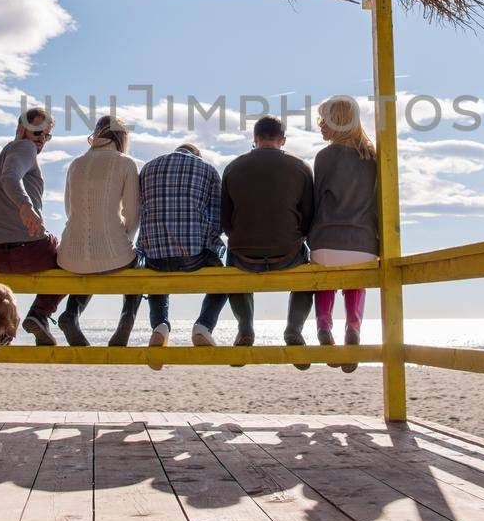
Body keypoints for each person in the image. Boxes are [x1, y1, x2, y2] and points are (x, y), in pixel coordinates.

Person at [211, 116, 314, 364]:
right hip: (288, 254)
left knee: (232, 265)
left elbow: (224, 220)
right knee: (308, 271)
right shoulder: (300, 167)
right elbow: (309, 217)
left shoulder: (233, 167)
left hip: (244, 256)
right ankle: (294, 328)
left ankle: (245, 327)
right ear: (283, 140)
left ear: (255, 139)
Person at [293, 96, 378, 374]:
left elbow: (316, 202)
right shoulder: (372, 156)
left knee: (323, 274)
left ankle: (323, 324)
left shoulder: (324, 157)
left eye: (323, 121)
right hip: (364, 243)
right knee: (355, 279)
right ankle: (353, 325)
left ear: (336, 122)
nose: (319, 126)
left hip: (325, 240)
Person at [0, 107, 74, 344]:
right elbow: (11, 177)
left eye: (46, 136)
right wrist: (25, 206)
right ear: (21, 129)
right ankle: (40, 313)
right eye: (37, 133)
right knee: (72, 258)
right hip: (30, 251)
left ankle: (1, 330)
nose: (41, 140)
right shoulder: (24, 148)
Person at [56, 115, 142, 345]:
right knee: (137, 263)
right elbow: (133, 214)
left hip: (69, 257)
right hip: (113, 253)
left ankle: (71, 314)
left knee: (89, 267)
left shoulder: (76, 163)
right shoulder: (125, 163)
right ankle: (126, 320)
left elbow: (69, 210)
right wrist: (124, 241)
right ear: (121, 138)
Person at [136, 143, 222, 369]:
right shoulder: (208, 169)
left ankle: (160, 326)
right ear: (197, 154)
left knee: (157, 277)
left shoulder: (147, 168)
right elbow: (217, 219)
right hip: (193, 255)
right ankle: (203, 326)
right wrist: (211, 243)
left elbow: (142, 210)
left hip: (154, 254)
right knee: (224, 279)